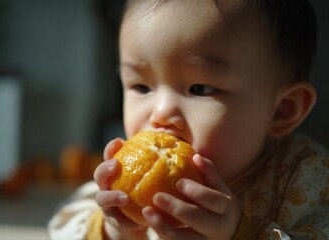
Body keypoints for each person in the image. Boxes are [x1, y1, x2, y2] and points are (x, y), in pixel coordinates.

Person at [48, 0, 329, 239]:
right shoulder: (124, 182)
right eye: (141, 87)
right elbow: (60, 227)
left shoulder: (305, 177)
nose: (160, 114)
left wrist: (239, 234)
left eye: (200, 89)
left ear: (282, 110)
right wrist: (113, 230)